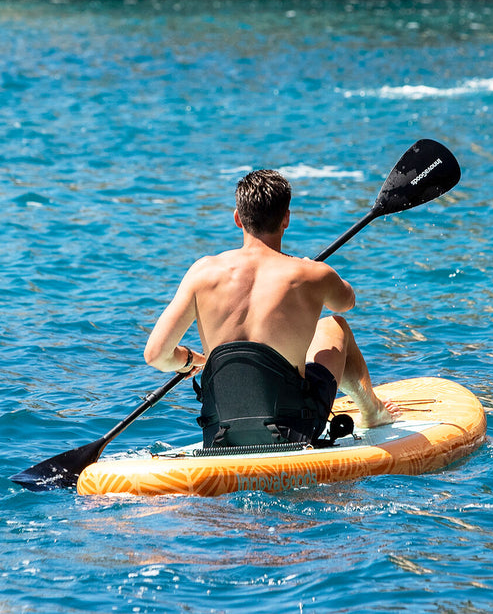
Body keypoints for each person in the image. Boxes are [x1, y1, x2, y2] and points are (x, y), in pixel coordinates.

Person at [144, 169, 399, 446]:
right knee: (334, 325)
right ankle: (373, 413)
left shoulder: (202, 272)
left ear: (238, 219)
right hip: (295, 427)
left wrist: (190, 359)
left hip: (220, 431)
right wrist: (317, 272)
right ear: (286, 218)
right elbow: (346, 302)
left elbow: (156, 355)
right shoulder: (311, 274)